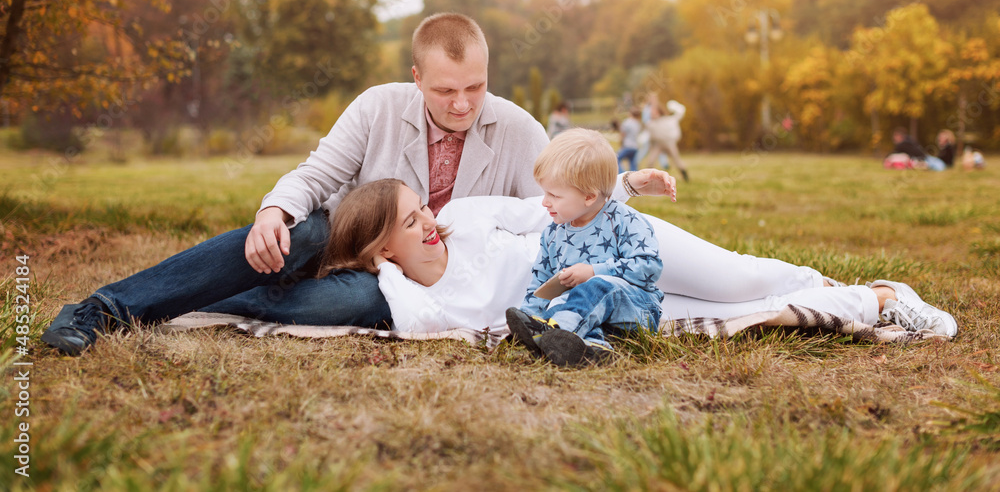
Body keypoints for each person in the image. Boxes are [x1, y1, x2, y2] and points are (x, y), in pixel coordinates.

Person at [41, 12, 551, 356]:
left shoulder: (520, 130)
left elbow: (553, 221)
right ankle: (100, 310)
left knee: (353, 305)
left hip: (404, 280)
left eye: (475, 87)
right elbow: (316, 174)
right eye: (445, 90)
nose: (462, 104)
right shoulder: (378, 107)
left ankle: (197, 296)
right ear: (416, 78)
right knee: (297, 235)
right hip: (345, 234)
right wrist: (272, 215)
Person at [323, 181, 957, 365]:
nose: (429, 222)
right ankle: (878, 299)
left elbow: (538, 208)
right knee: (733, 318)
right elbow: (401, 313)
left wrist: (619, 186)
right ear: (384, 254)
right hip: (604, 297)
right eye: (411, 224)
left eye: (421, 208)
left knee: (738, 282)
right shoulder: (412, 299)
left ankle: (840, 288)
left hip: (611, 239)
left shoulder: (463, 215)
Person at [506, 129, 664, 366]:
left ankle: (556, 333)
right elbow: (541, 282)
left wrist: (593, 272)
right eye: (544, 192)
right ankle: (591, 349)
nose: (544, 202)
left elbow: (649, 266)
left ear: (589, 197)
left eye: (554, 195)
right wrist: (530, 315)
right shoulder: (552, 234)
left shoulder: (624, 220)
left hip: (635, 310)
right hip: (585, 315)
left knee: (598, 286)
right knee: (561, 301)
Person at [644, 99, 689, 182]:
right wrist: (653, 102)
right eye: (651, 113)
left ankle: (685, 176)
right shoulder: (651, 124)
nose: (652, 114)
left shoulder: (668, 120)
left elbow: (680, 114)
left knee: (677, 160)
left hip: (669, 144)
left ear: (659, 112)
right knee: (650, 162)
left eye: (654, 112)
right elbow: (650, 136)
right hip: (658, 145)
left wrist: (674, 106)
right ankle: (647, 179)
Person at [617, 107, 642, 172]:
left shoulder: (627, 122)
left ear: (630, 113)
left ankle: (622, 173)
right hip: (635, 146)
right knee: (633, 164)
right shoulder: (638, 124)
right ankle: (635, 177)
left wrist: (621, 143)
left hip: (627, 145)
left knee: (616, 158)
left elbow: (623, 134)